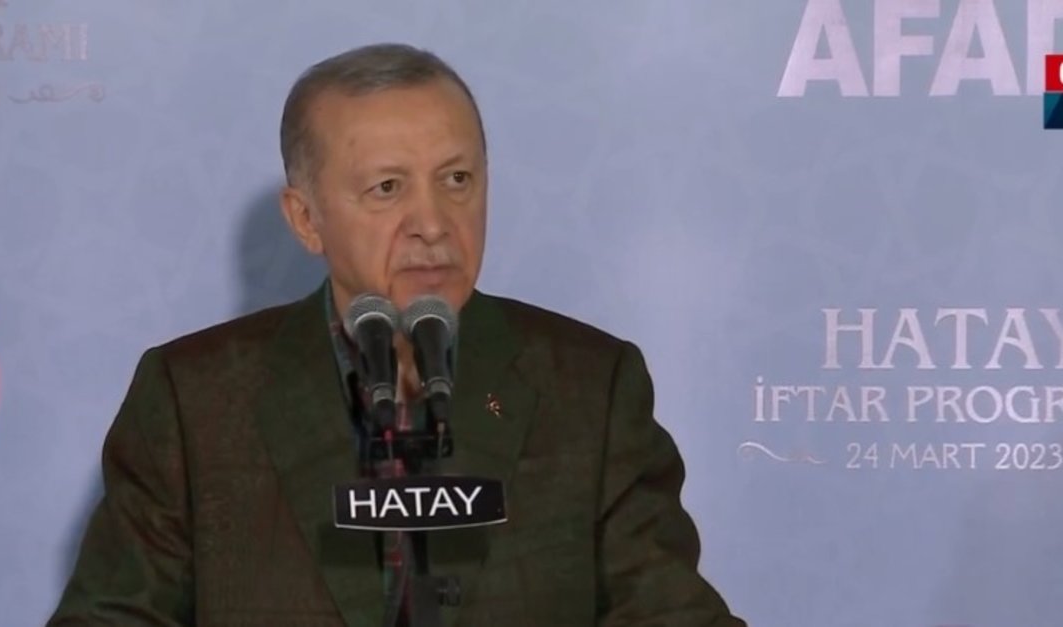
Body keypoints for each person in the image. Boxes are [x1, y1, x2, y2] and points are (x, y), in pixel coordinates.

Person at [48, 43, 746, 626]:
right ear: (305, 219)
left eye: (457, 179)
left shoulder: (590, 388)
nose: (433, 223)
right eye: (387, 188)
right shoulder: (196, 401)